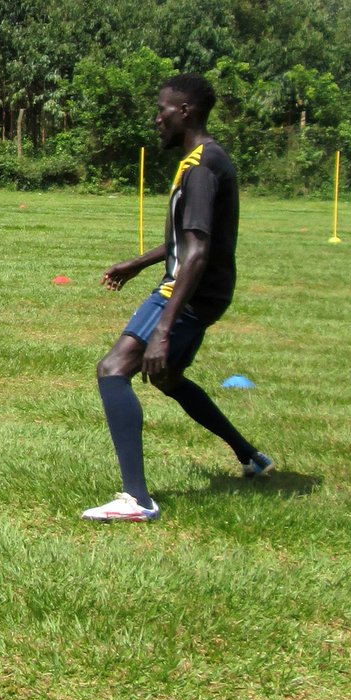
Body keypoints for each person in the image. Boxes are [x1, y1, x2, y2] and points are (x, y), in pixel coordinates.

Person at [83, 72, 273, 522]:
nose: (157, 119)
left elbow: (199, 251)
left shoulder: (204, 166)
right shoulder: (198, 161)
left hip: (187, 293)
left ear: (185, 111)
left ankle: (137, 499)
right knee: (168, 380)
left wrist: (164, 329)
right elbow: (186, 242)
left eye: (162, 110)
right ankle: (250, 456)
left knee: (112, 371)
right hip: (195, 290)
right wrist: (141, 262)